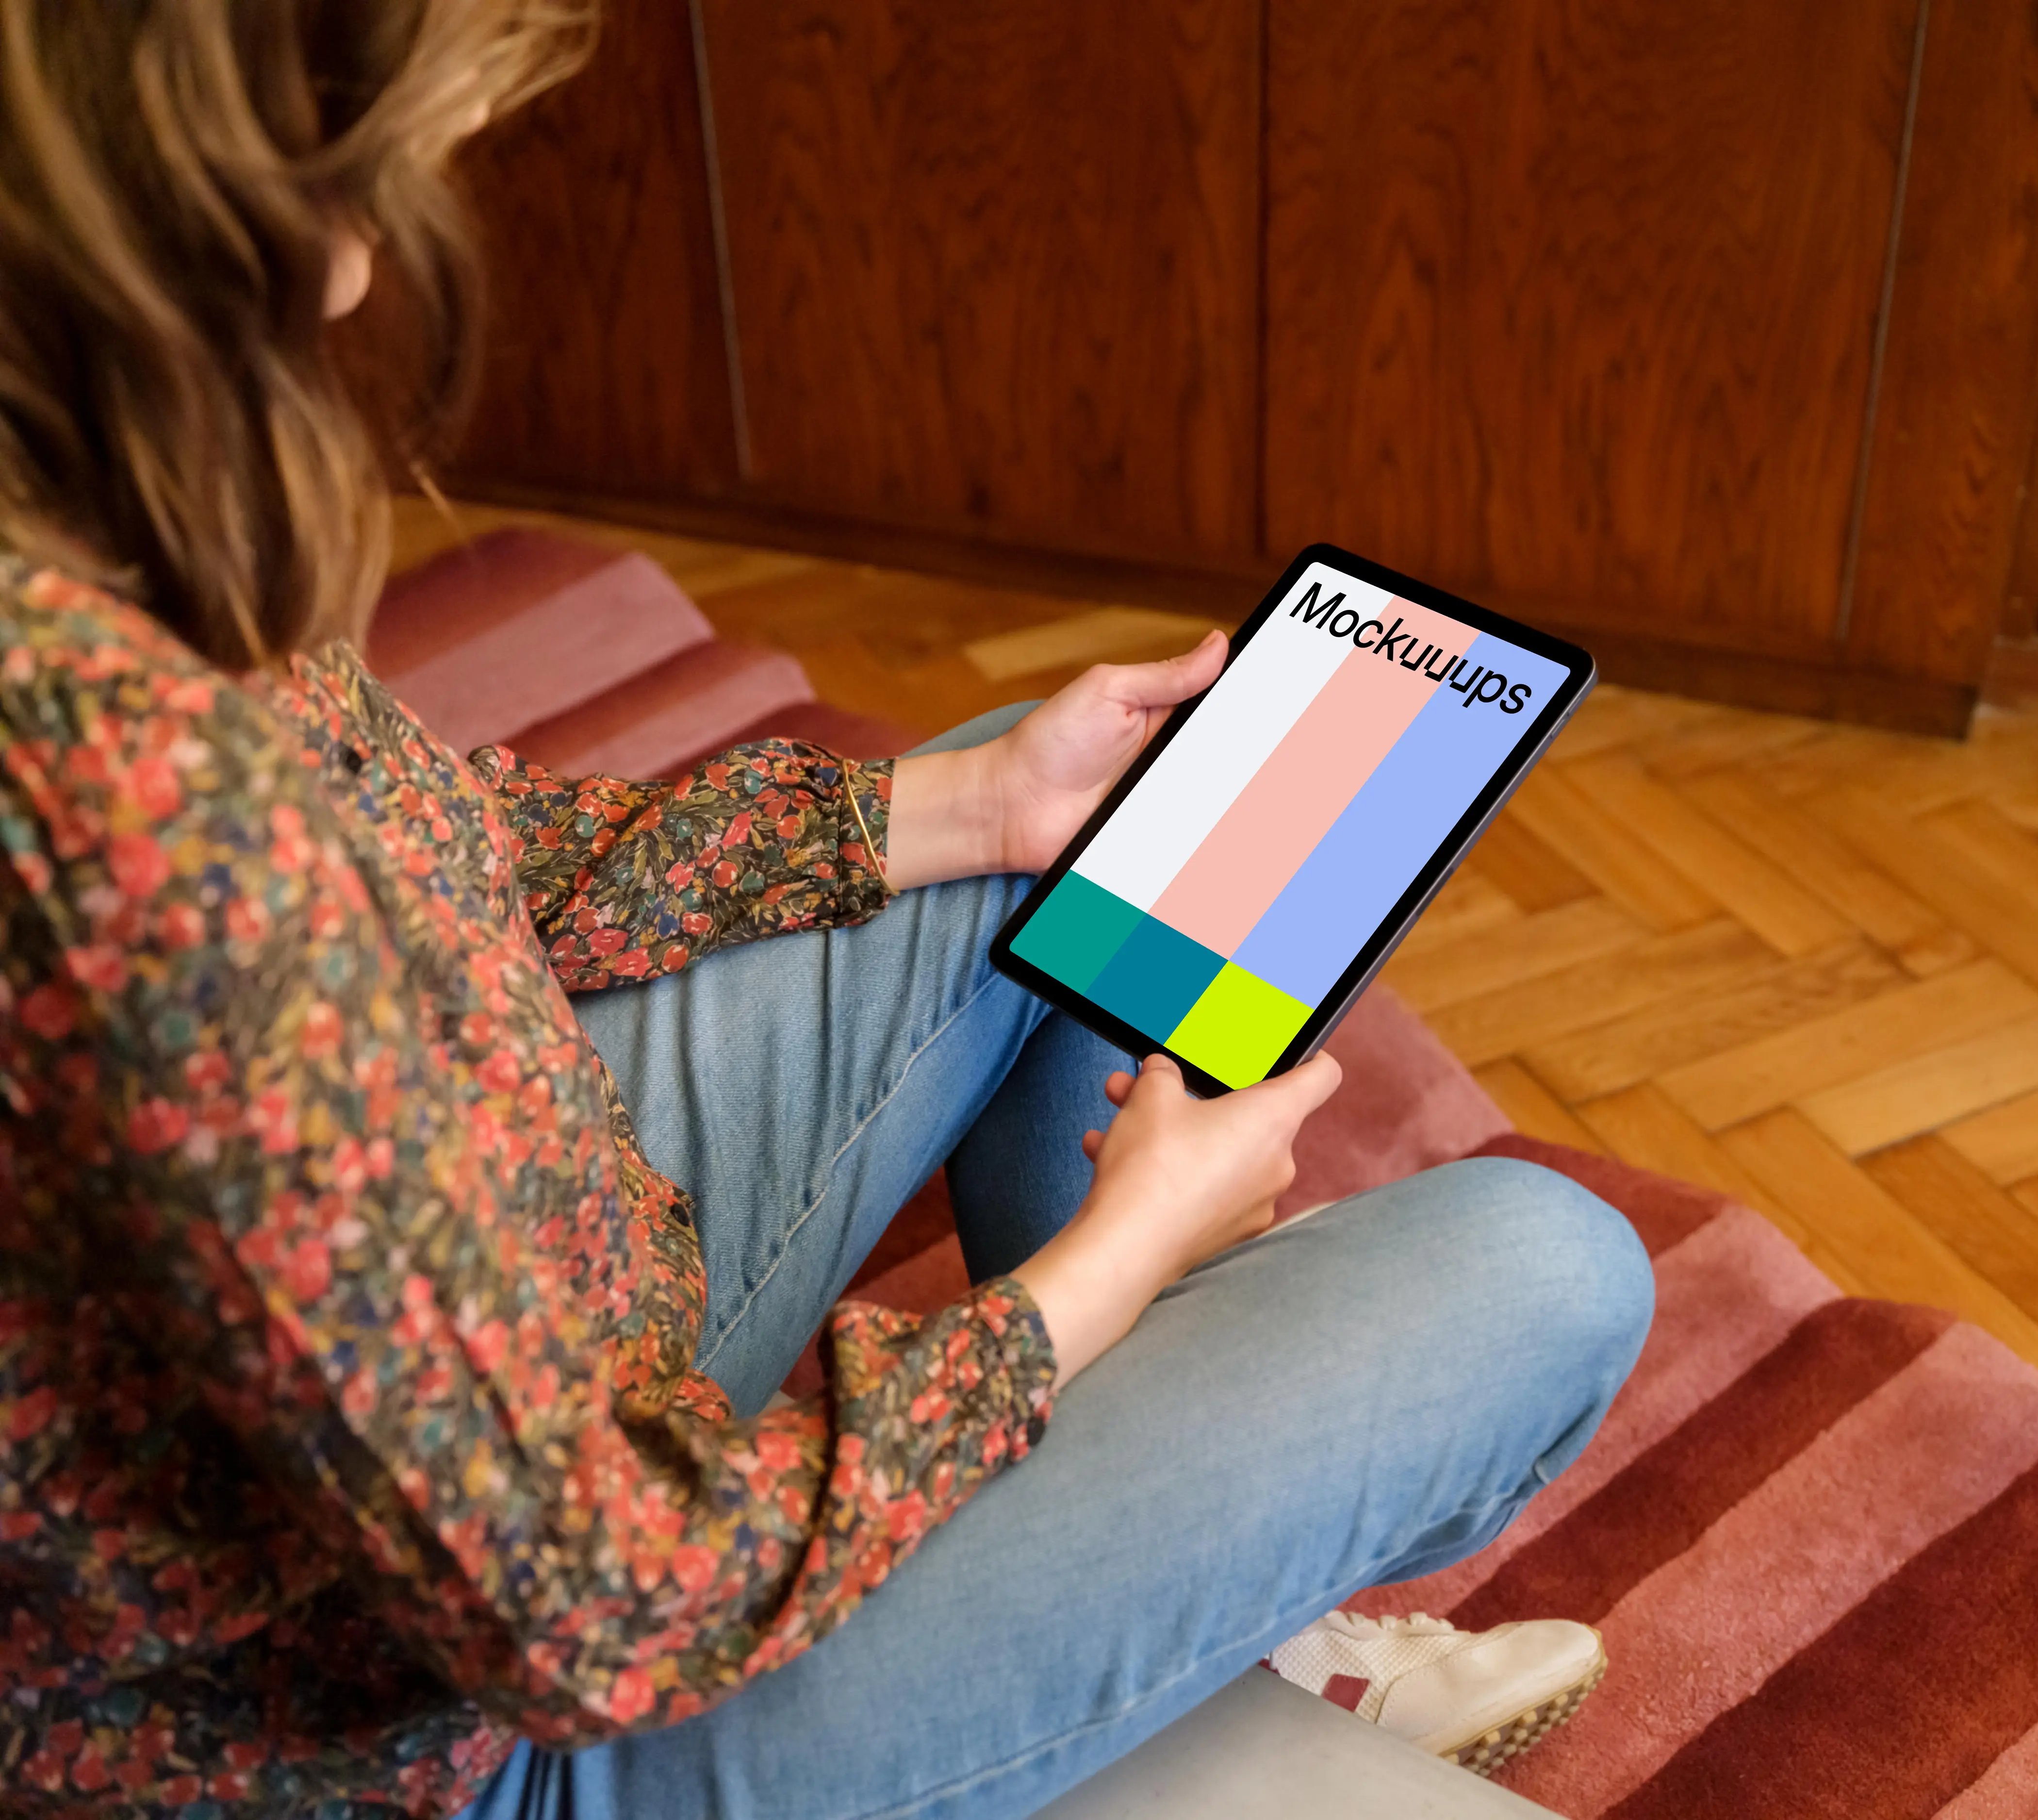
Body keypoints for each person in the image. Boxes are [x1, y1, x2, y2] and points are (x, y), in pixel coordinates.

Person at [0, 3, 1656, 1816]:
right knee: (1546, 1271)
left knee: (1051, 826)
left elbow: (419, 844)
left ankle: (1164, 1580)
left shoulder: (90, 564)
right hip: (465, 1736)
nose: (366, 260)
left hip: (539, 1337)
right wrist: (1079, 1284)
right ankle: (1175, 1594)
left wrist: (945, 806)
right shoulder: (117, 811)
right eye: (350, 175)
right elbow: (597, 1605)